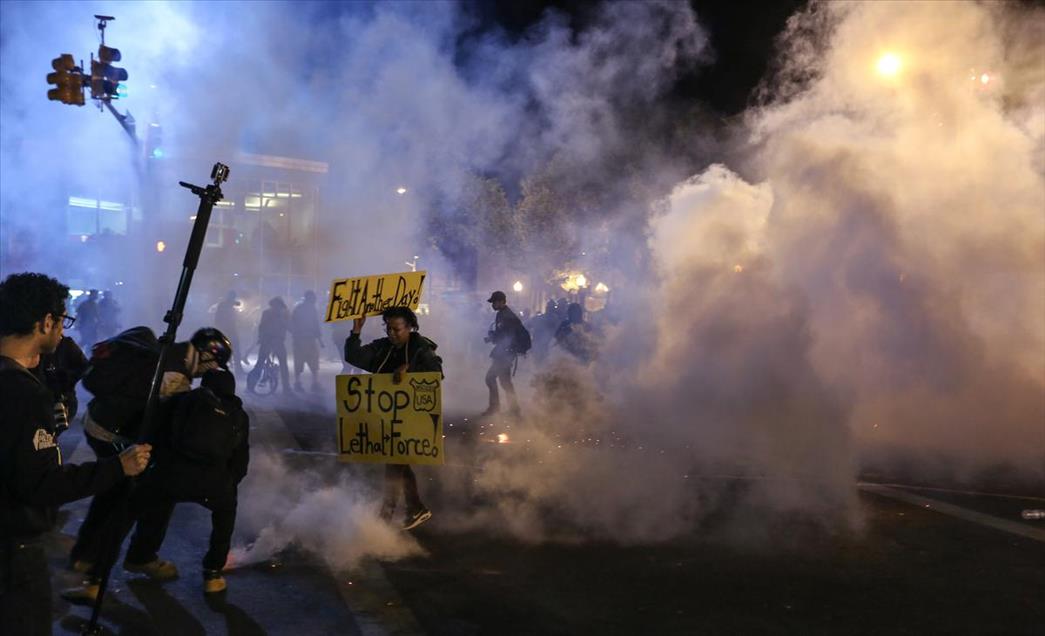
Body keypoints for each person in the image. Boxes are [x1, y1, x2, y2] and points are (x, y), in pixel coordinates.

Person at [0, 272, 151, 636]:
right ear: (45, 322)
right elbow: (41, 484)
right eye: (62, 321)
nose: (63, 332)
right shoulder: (23, 393)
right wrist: (117, 467)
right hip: (14, 552)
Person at [64, 326, 232, 599]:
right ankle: (135, 557)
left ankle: (84, 554)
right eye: (214, 363)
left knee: (110, 490)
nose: (210, 371)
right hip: (116, 435)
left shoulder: (168, 351)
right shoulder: (176, 376)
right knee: (139, 496)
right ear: (206, 355)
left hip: (99, 423)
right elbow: (163, 423)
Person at [125, 368, 249, 594]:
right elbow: (240, 461)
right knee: (225, 513)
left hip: (171, 474)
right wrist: (227, 484)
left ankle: (140, 557)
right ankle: (213, 573)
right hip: (213, 482)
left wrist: (151, 472)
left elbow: (155, 435)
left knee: (157, 505)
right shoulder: (238, 414)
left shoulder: (181, 401)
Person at [344, 307, 441, 530]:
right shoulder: (383, 347)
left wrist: (410, 370)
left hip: (412, 416)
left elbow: (436, 374)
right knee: (397, 460)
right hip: (387, 416)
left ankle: (386, 516)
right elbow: (353, 357)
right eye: (388, 328)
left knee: (395, 463)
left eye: (396, 329)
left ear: (410, 327)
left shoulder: (420, 347)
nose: (391, 333)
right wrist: (356, 331)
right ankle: (416, 508)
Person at [30, 335, 89, 437]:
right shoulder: (32, 345)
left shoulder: (66, 344)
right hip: (38, 401)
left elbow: (84, 367)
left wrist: (66, 377)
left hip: (62, 401)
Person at [482, 290, 522, 417]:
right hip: (504, 353)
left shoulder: (507, 316)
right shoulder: (502, 314)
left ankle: (496, 408)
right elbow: (502, 334)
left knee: (490, 378)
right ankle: (514, 410)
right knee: (505, 382)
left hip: (505, 354)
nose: (492, 305)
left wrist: (494, 337)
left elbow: (508, 337)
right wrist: (492, 337)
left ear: (501, 302)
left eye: (494, 302)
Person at [248, 297, 290, 394]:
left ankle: (286, 388)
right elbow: (262, 327)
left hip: (276, 342)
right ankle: (251, 386)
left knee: (282, 364)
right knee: (260, 363)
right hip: (268, 341)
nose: (276, 308)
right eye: (274, 306)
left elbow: (289, 327)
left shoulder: (284, 314)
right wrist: (261, 337)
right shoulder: (267, 313)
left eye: (277, 306)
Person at [290, 290, 323, 392]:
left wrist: (295, 335)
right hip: (308, 339)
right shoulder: (312, 309)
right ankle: (314, 383)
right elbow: (316, 325)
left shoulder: (298, 308)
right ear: (311, 298)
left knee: (299, 362)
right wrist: (320, 340)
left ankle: (298, 383)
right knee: (313, 362)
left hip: (300, 340)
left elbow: (292, 323)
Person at [215, 290, 247, 374]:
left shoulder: (227, 305)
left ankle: (237, 370)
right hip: (226, 331)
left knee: (235, 351)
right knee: (227, 351)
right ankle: (224, 369)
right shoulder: (224, 305)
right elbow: (218, 319)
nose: (233, 299)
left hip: (231, 331)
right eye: (233, 297)